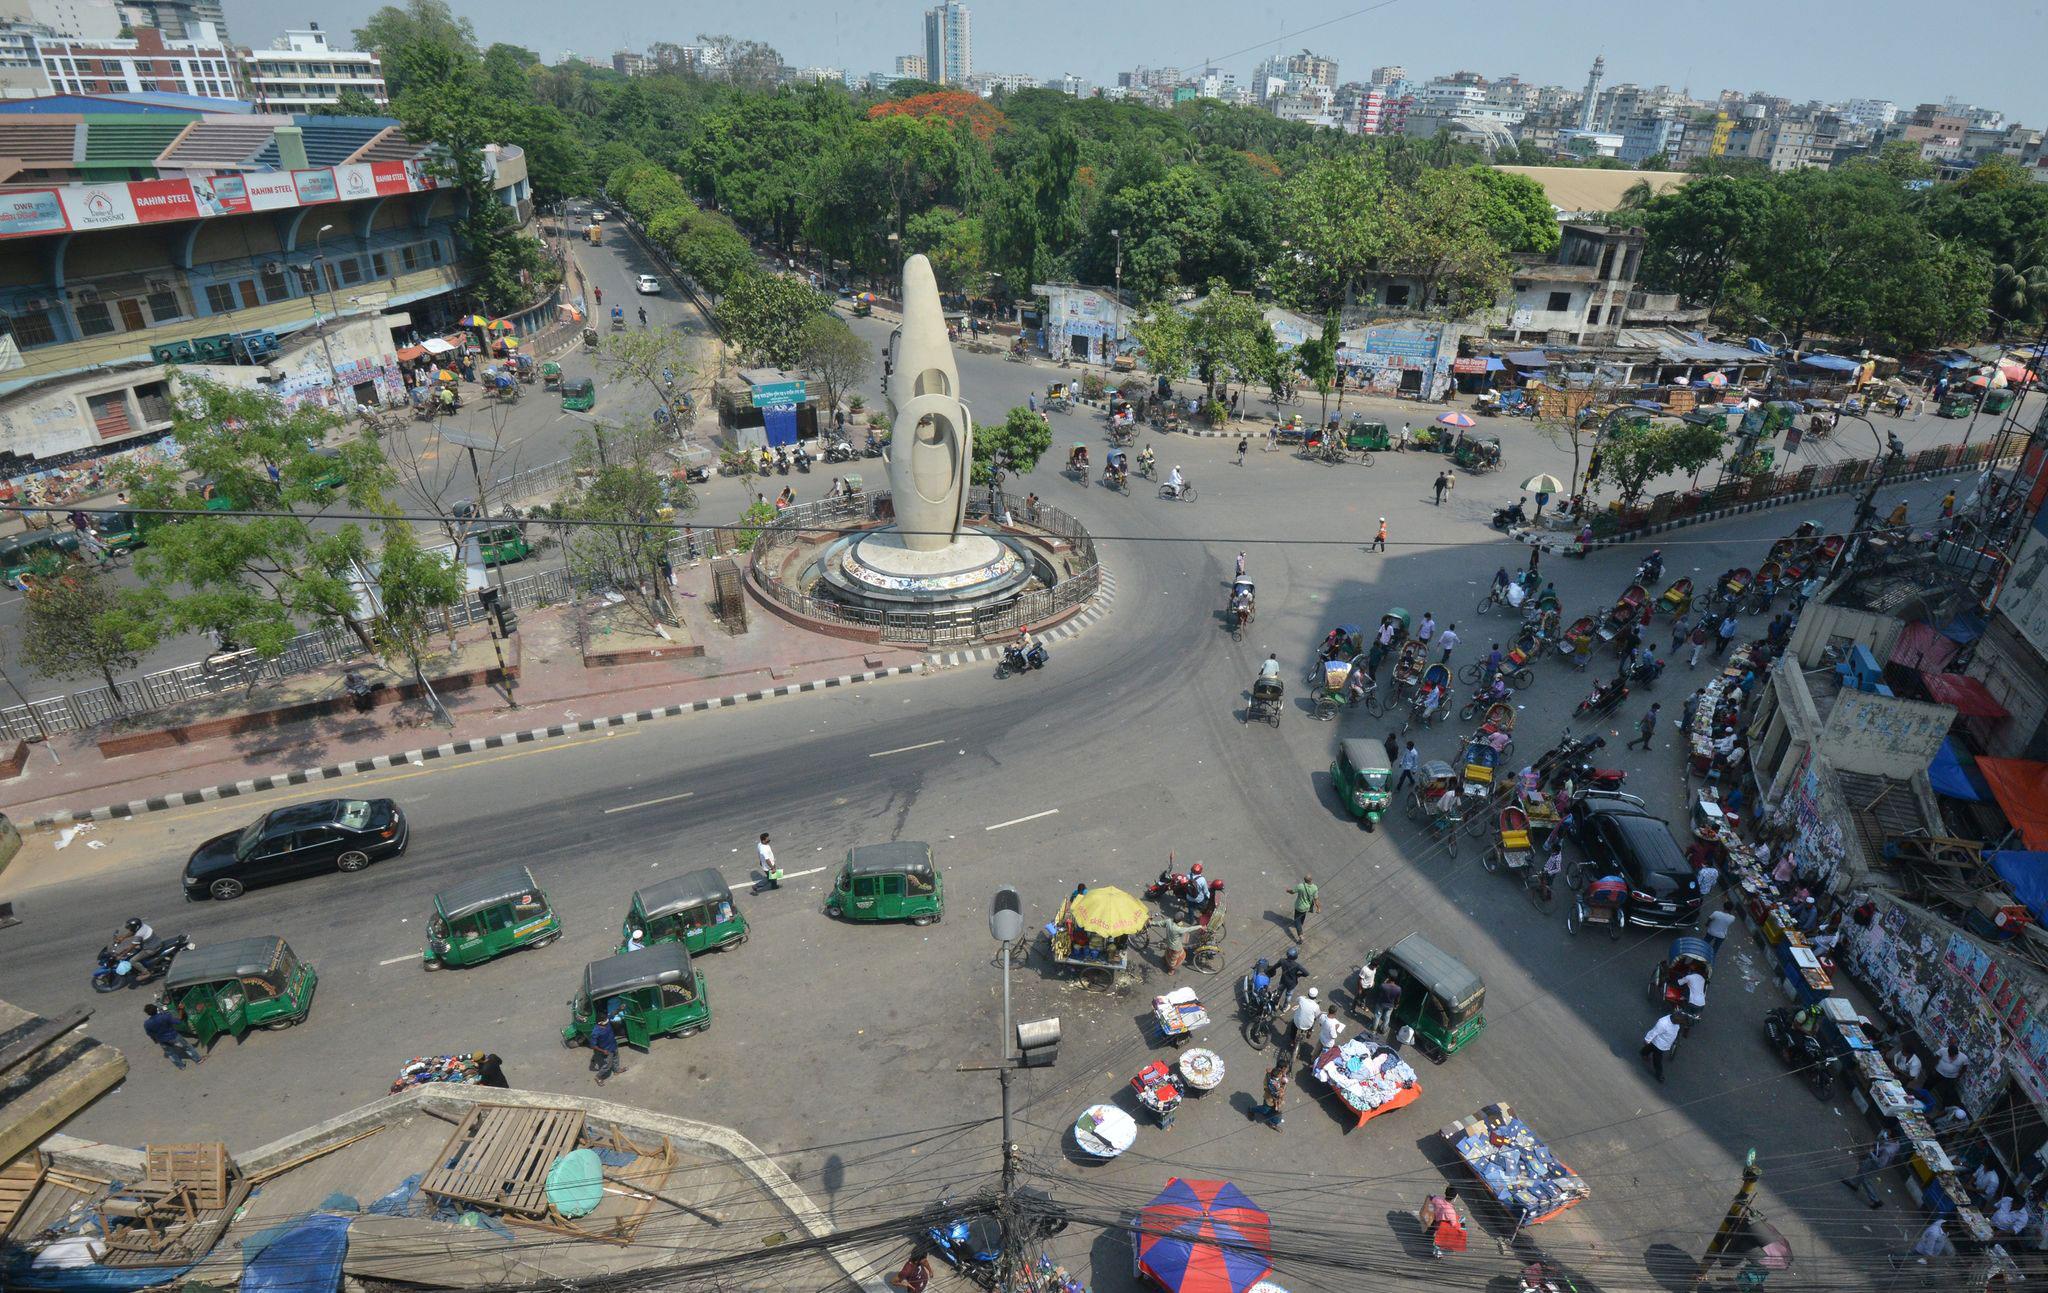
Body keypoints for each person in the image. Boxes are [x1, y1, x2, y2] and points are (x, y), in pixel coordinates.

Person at [1844, 1129, 1900, 1208]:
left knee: (1866, 1180)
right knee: (1863, 1167)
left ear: (1892, 1137)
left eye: (1888, 1133)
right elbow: (1881, 1143)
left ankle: (1875, 1200)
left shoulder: (1887, 1151)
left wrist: (1870, 1152)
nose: (1886, 1133)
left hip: (1875, 1163)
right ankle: (1854, 1183)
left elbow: (1880, 1163)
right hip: (1875, 1156)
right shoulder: (1896, 1143)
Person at [143, 1003, 202, 1069]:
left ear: (147, 1013)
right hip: (173, 1036)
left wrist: (155, 1040)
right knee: (187, 1047)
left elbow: (150, 1034)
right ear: (156, 1009)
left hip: (162, 1040)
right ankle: (198, 1059)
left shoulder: (146, 1024)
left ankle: (181, 1066)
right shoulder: (165, 1016)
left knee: (171, 1053)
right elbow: (179, 1020)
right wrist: (181, 1009)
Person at [1420, 1187, 1467, 1258]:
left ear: (1445, 1192)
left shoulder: (1437, 1199)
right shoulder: (1450, 1212)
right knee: (1462, 1220)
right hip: (1440, 1227)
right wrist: (1461, 1227)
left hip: (1434, 1219)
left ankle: (1430, 1234)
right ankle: (1438, 1249)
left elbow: (1431, 1197)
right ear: (1454, 1197)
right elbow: (1454, 1224)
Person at [1642, 1011, 1681, 1082]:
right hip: (1659, 1044)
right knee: (1657, 1060)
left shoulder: (1676, 1022)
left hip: (1664, 1043)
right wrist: (1647, 1039)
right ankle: (1659, 1074)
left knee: (1650, 1047)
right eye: (1678, 1021)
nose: (1679, 1023)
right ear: (1674, 1019)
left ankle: (1643, 1053)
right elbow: (1654, 1032)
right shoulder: (1663, 1023)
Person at [1251, 1059, 1289, 1129]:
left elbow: (1283, 1085)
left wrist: (1282, 1090)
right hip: (1270, 1099)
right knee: (1264, 1110)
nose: (1286, 1069)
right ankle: (1251, 1110)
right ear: (1282, 1069)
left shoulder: (1282, 1075)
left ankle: (1273, 1123)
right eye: (1285, 1068)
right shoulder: (1270, 1076)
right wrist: (1276, 1092)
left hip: (1277, 1100)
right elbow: (1266, 1087)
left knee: (1275, 1112)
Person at [1289, 987, 1321, 1055]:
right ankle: (1309, 1031)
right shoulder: (1316, 1006)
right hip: (1307, 1025)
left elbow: (1297, 1000)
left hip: (1297, 1022)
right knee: (1314, 1019)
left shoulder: (1302, 999)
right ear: (1316, 996)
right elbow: (1318, 1015)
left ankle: (1292, 1040)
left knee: (1293, 1027)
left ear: (1308, 994)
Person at [1288, 874, 1320, 939]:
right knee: (1303, 916)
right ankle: (1300, 925)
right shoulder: (1315, 888)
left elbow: (1292, 892)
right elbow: (1316, 899)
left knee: (1296, 920)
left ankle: (1300, 935)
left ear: (1304, 880)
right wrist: (1318, 908)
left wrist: (1288, 890)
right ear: (1311, 880)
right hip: (1307, 907)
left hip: (1299, 906)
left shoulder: (1300, 886)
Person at [589, 1016, 620, 1083]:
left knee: (616, 1058)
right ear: (600, 1022)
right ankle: (598, 1076)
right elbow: (593, 1045)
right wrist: (603, 1051)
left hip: (613, 1045)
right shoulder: (596, 1032)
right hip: (606, 1050)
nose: (607, 1021)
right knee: (607, 1066)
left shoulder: (607, 1023)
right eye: (605, 1020)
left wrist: (619, 1009)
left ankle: (616, 1070)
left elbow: (612, 1014)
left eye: (606, 1019)